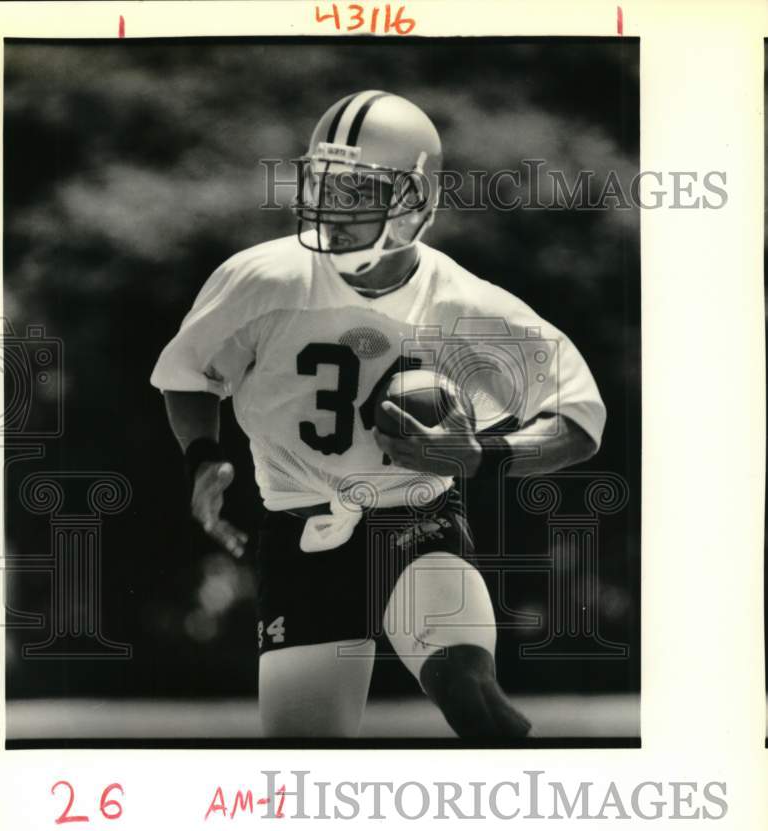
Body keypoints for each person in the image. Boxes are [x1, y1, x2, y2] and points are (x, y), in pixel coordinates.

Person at [151, 90, 606, 740]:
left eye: (356, 190)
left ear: (414, 201)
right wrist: (203, 458)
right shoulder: (262, 279)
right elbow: (189, 377)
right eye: (323, 185)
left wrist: (481, 457)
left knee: (469, 693)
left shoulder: (464, 304)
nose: (332, 210)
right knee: (304, 761)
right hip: (299, 533)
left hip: (416, 522)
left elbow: (579, 419)